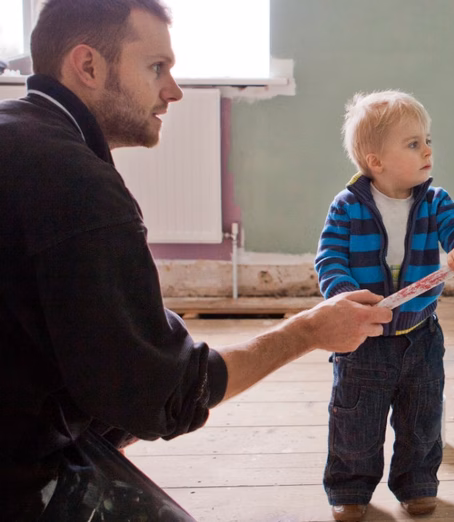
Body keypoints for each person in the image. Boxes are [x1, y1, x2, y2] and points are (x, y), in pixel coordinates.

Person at [0, 1, 392, 519]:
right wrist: (308, 332)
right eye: (156, 67)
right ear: (88, 66)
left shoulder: (17, 133)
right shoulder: (78, 188)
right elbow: (169, 395)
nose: (174, 90)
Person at [314, 90, 454, 521]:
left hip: (420, 334)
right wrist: (346, 295)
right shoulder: (347, 207)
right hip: (363, 337)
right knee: (355, 420)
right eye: (412, 144)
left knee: (422, 418)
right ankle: (350, 489)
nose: (427, 150)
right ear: (376, 161)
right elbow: (329, 259)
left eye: (427, 139)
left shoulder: (434, 201)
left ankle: (417, 484)